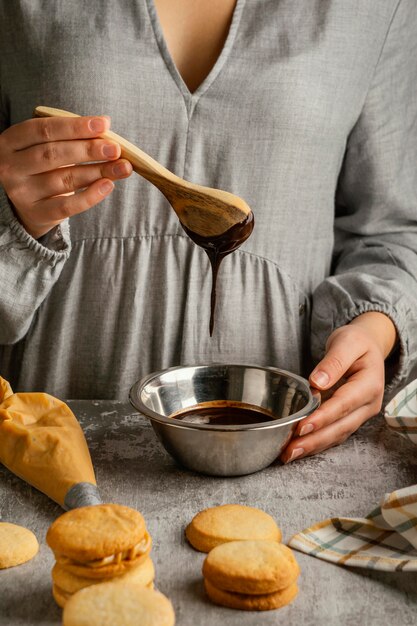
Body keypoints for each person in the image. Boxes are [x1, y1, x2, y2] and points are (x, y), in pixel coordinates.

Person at [0, 0, 416, 464]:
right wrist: (16, 218)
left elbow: (393, 229)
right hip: (47, 448)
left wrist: (375, 328)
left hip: (286, 455)